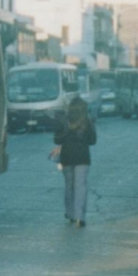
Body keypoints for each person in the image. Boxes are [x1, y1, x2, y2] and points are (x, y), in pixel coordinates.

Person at [54, 96, 97, 228]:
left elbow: (57, 140)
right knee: (81, 186)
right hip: (83, 157)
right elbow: (92, 141)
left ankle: (70, 213)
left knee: (69, 185)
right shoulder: (87, 121)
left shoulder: (63, 120)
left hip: (66, 157)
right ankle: (80, 217)